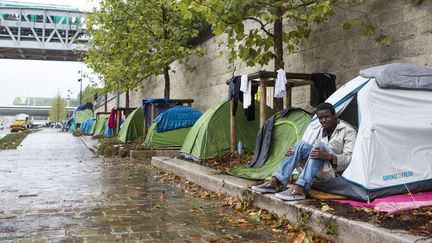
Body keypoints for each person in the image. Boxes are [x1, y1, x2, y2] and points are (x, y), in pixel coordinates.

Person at [251, 102, 357, 201]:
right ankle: (276, 182)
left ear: (334, 116)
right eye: (320, 118)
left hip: (333, 174)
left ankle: (300, 189)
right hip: (318, 170)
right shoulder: (320, 129)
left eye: (327, 117)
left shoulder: (348, 131)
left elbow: (349, 160)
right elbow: (307, 149)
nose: (323, 120)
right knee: (300, 145)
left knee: (319, 146)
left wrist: (329, 156)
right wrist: (294, 152)